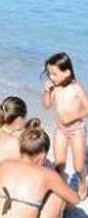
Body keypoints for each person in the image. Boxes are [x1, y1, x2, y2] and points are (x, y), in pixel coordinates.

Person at [0, 120, 84, 217]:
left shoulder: (3, 165)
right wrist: (58, 176)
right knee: (57, 196)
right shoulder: (47, 174)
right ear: (43, 155)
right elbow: (75, 199)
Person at [42, 52, 88, 195]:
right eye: (49, 73)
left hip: (77, 130)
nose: (51, 77)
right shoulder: (54, 88)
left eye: (54, 74)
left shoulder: (75, 88)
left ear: (67, 72)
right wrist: (47, 92)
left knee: (79, 166)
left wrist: (73, 117)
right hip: (60, 130)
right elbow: (47, 105)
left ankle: (82, 182)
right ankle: (60, 187)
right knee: (59, 164)